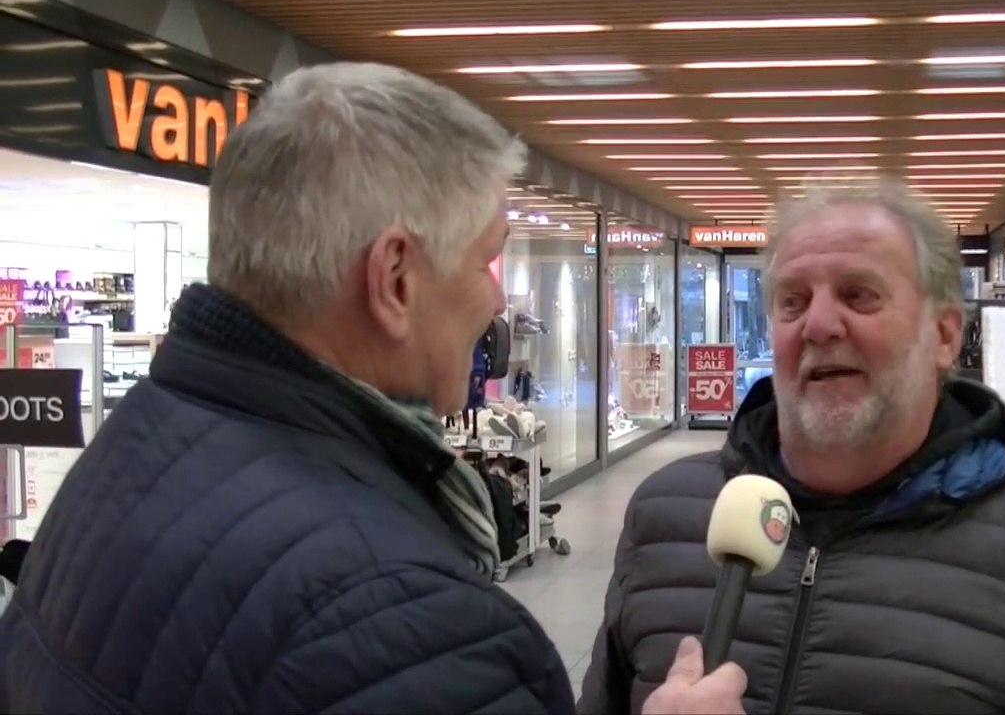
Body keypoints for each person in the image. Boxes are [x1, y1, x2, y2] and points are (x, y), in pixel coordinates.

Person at [0, 62, 744, 715]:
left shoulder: (122, 459)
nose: (495, 305)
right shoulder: (408, 623)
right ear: (395, 278)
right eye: (486, 263)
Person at [578, 179, 1005, 714]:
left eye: (860, 295)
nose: (819, 324)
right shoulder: (667, 513)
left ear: (944, 336)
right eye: (793, 301)